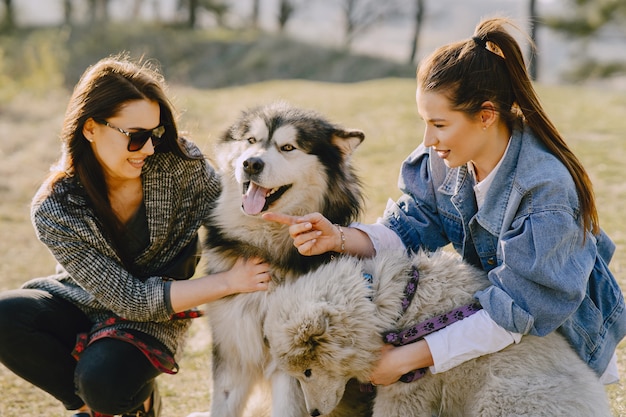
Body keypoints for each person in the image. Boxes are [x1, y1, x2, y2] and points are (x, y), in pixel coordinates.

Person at [264, 17, 626, 387]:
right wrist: (339, 237)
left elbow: (517, 310)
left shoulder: (544, 192)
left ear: (486, 115)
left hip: (563, 345)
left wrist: (408, 358)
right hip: (494, 326)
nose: (428, 139)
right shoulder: (445, 161)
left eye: (439, 124)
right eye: (424, 122)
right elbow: (410, 227)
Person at [0, 55, 271, 417]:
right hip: (86, 302)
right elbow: (130, 298)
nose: (148, 148)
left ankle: (116, 396)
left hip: (152, 321)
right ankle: (103, 407)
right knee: (6, 315)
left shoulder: (179, 165)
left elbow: (233, 209)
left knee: (104, 382)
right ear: (90, 128)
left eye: (155, 134)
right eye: (135, 136)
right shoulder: (53, 208)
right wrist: (230, 281)